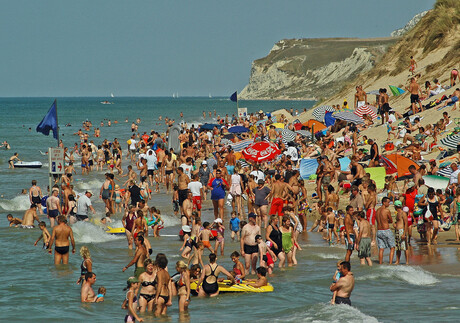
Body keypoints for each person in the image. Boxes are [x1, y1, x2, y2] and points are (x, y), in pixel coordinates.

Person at [375, 197, 395, 264]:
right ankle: (390, 263)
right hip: (386, 230)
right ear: (384, 202)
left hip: (379, 231)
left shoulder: (377, 211)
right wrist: (386, 221)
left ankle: (380, 263)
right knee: (392, 247)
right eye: (388, 202)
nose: (389, 204)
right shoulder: (386, 210)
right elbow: (391, 220)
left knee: (381, 248)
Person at [394, 201, 409, 265]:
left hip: (402, 231)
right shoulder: (398, 213)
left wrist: (404, 233)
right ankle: (397, 261)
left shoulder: (403, 213)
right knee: (398, 247)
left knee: (405, 247)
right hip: (397, 231)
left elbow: (406, 224)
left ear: (395, 206)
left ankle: (407, 261)